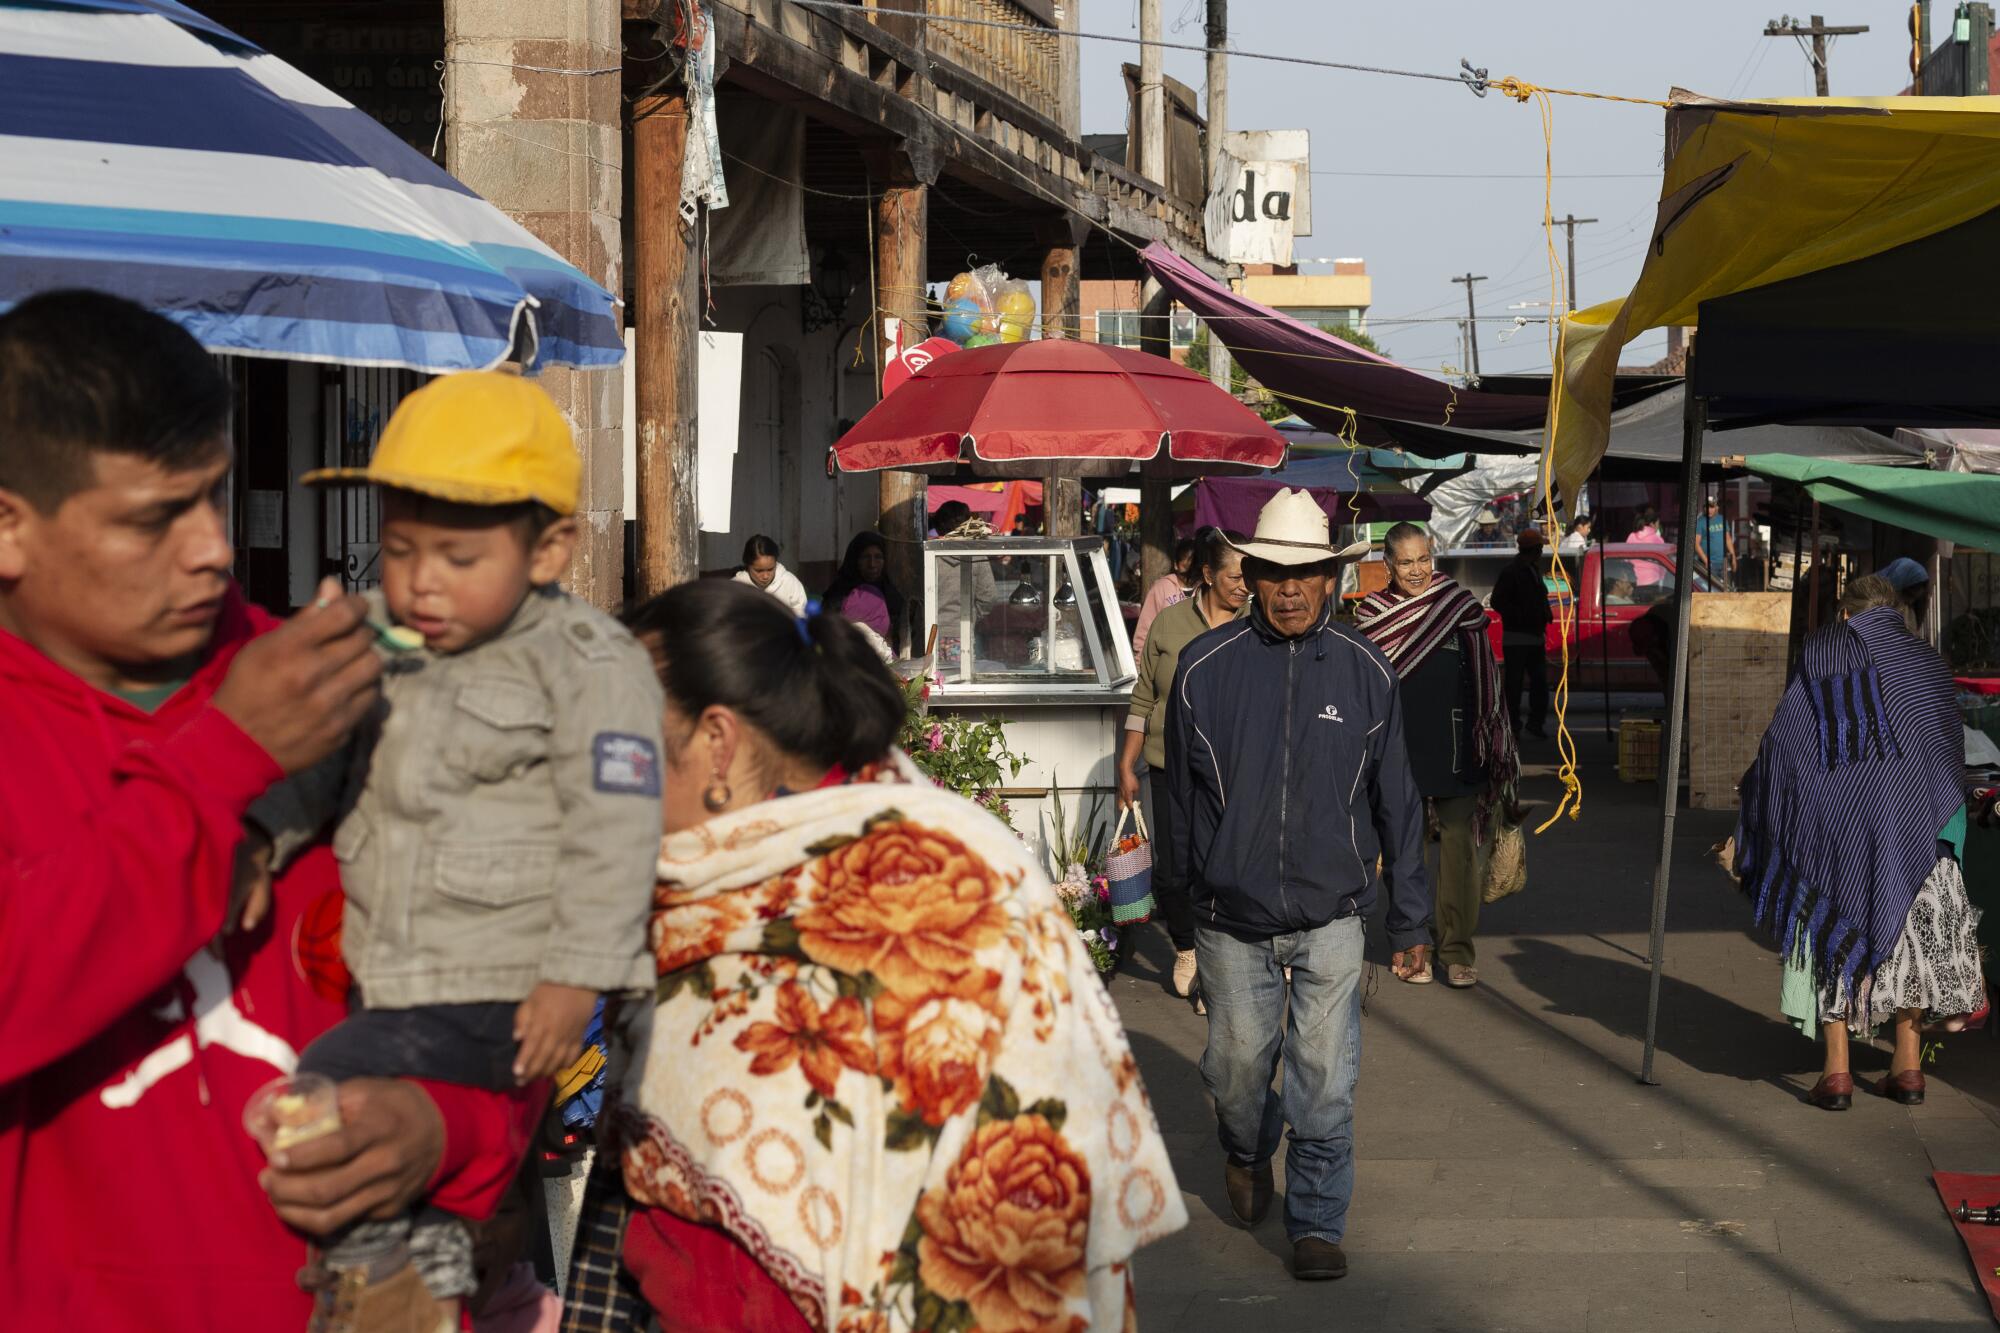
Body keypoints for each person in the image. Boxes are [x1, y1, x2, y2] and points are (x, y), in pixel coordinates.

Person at [0, 290, 539, 1332]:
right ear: (9, 525)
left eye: (214, 494)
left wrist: (447, 1125)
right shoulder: (257, 718)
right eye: (154, 517)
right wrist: (224, 763)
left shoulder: (345, 683)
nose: (211, 547)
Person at [563, 581, 1187, 1330]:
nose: (601, 783)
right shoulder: (696, 889)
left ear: (717, 742)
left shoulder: (951, 881)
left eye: (622, 746)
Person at [256, 371, 666, 1324]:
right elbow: (322, 766)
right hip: (396, 967)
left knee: (328, 1090)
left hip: (502, 982)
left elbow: (617, 834)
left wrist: (575, 977)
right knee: (357, 1110)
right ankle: (426, 1253)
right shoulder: (392, 646)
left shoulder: (587, 664)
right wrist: (257, 837)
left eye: (455, 554)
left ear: (550, 547)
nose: (421, 580)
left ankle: (409, 1273)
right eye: (399, 549)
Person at [1164, 488, 1431, 1283]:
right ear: (1247, 573)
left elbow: (1399, 800)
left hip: (1333, 915)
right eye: (1274, 572)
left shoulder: (1367, 671)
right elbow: (1177, 802)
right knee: (1238, 1072)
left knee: (1326, 1076)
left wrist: (1411, 918)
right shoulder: (1202, 671)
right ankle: (1246, 1147)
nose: (1289, 588)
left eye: (1306, 574)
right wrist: (1180, 913)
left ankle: (1316, 1220)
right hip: (1228, 914)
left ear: (1332, 580)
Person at [1735, 575, 1981, 1111]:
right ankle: (1908, 1067)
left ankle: (1838, 1072)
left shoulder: (1823, 654)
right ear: (1893, 611)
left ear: (1845, 616)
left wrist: (1761, 792)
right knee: (1911, 945)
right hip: (1919, 825)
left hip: (1839, 832)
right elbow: (1946, 747)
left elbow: (1785, 741)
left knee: (1833, 929)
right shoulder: (1926, 662)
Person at [1356, 523, 1520, 990]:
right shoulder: (1372, 614)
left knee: (1459, 852)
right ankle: (1414, 943)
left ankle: (1457, 949)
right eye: (1405, 562)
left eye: (1423, 559)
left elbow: (1486, 674)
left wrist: (1490, 737)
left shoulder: (1459, 606)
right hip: (1397, 747)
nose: (1416, 570)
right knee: (1404, 850)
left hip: (1458, 744)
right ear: (1387, 566)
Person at [1118, 527, 1249, 1006]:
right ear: (1208, 575)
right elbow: (1145, 695)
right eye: (1234, 576)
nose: (1243, 585)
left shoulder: (1257, 622)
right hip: (1170, 764)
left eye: (1248, 575)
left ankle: (1225, 965)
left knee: (1225, 865)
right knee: (1174, 871)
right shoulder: (1170, 624)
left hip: (1238, 770)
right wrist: (1126, 763)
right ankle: (1187, 946)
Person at [1490, 528, 1554, 741]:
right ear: (1534, 549)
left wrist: (1545, 613)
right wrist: (1522, 616)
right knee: (1514, 686)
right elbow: (1497, 601)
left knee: (1538, 685)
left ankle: (1534, 724)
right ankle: (1513, 725)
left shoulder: (1532, 570)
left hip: (1534, 637)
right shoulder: (1512, 572)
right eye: (1540, 547)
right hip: (1517, 638)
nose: (1542, 551)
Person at [930, 499, 1001, 658]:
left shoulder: (929, 556)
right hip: (962, 634)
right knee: (960, 680)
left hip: (929, 634)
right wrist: (972, 615)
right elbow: (988, 597)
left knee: (932, 680)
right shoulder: (977, 555)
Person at [823, 530, 903, 647]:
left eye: (878, 557)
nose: (872, 564)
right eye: (866, 557)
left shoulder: (891, 595)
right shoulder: (838, 595)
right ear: (855, 560)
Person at [1132, 535, 1199, 656]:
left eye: (1193, 569)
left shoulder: (1205, 590)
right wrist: (1139, 664)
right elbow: (1145, 630)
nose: (1189, 575)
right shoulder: (1161, 589)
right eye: (1185, 568)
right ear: (1176, 565)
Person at [733, 534, 808, 615]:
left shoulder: (789, 582)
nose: (765, 576)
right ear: (747, 565)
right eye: (759, 571)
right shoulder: (736, 587)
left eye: (770, 569)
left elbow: (802, 612)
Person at [1877, 556, 1933, 627]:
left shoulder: (1922, 583)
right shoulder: (1895, 580)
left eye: (1914, 598)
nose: (1911, 601)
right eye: (1911, 596)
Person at [1696, 497, 1736, 590]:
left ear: (1716, 508)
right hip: (1710, 564)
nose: (1709, 509)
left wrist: (1733, 557)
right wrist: (1706, 561)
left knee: (1727, 589)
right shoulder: (1700, 522)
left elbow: (1728, 539)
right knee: (1711, 590)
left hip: (1724, 562)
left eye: (1711, 507)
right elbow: (1696, 544)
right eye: (1707, 507)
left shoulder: (1722, 519)